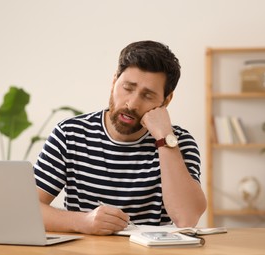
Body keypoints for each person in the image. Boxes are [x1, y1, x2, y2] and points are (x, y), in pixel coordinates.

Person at [34, 40, 206, 235]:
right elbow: (27, 208)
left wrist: (164, 138)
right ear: (114, 81)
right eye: (128, 88)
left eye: (147, 96)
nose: (132, 103)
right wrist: (83, 221)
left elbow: (187, 218)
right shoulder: (69, 134)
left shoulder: (178, 142)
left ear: (166, 101)